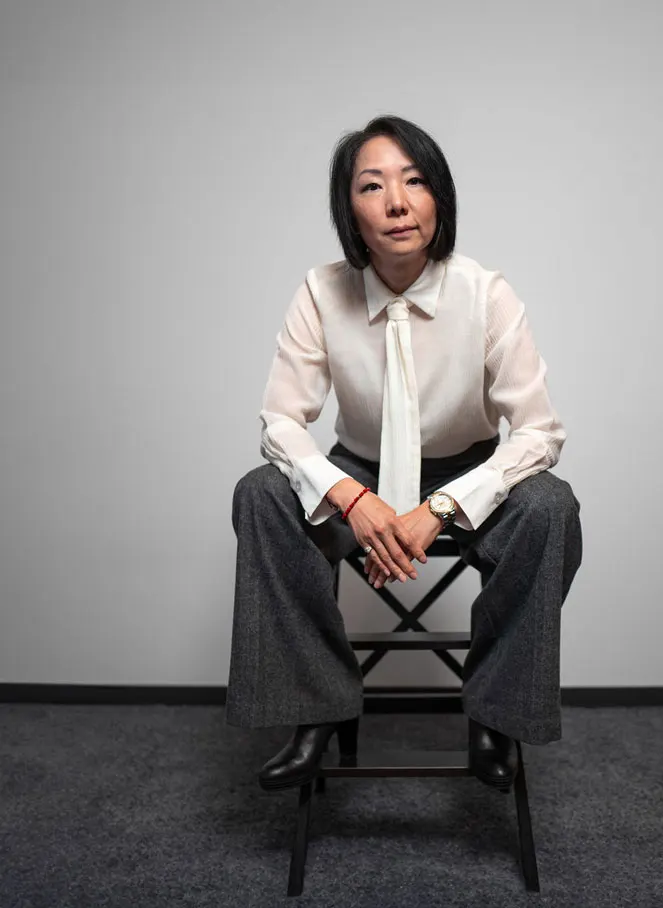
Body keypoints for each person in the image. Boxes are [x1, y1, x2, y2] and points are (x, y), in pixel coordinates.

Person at [225, 114, 583, 794]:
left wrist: (442, 506)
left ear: (438, 198)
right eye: (373, 185)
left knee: (549, 507)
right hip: (356, 470)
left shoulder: (486, 293)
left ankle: (495, 713)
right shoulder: (319, 291)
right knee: (261, 493)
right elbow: (282, 420)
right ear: (348, 209)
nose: (397, 201)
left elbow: (538, 433)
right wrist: (350, 497)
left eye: (415, 181)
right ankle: (316, 707)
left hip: (467, 472)